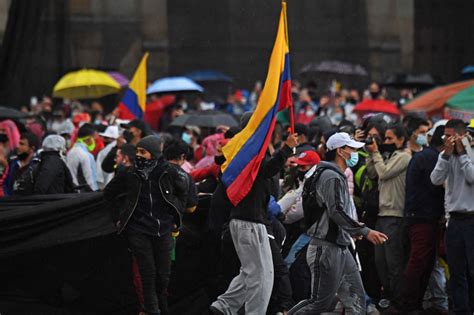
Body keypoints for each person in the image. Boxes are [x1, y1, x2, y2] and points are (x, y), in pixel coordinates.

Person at [288, 132, 388, 315]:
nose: (354, 153)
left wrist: (351, 230)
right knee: (319, 303)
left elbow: (333, 212)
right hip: (325, 248)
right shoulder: (330, 176)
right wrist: (364, 231)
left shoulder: (332, 174)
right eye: (351, 149)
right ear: (340, 151)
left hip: (338, 246)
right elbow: (336, 211)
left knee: (356, 300)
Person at [210, 125, 299, 315]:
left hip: (243, 222)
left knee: (251, 272)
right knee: (263, 276)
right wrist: (286, 148)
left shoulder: (237, 158)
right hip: (250, 223)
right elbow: (267, 169)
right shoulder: (249, 158)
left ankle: (223, 306)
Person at [104, 135, 188, 315]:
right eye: (137, 152)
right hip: (138, 230)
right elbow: (109, 193)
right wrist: (118, 218)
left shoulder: (169, 172)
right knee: (147, 274)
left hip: (164, 230)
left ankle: (160, 307)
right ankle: (151, 310)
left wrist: (175, 215)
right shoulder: (129, 173)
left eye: (143, 152)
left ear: (155, 154)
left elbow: (184, 194)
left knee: (163, 276)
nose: (139, 156)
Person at [399, 125, 445, 313]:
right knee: (419, 262)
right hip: (423, 217)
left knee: (424, 262)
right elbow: (436, 186)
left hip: (418, 216)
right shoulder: (432, 158)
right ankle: (410, 304)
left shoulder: (423, 156)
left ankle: (415, 302)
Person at [365, 124, 411, 310]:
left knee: (393, 262)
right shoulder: (388, 156)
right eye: (386, 138)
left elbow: (383, 173)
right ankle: (389, 296)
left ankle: (398, 301)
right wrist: (371, 153)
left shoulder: (404, 157)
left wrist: (376, 153)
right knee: (380, 262)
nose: (386, 142)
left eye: (391, 139)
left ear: (401, 140)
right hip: (382, 215)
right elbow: (372, 172)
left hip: (395, 215)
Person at [430, 119, 474, 315]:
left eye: (450, 135)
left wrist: (463, 153)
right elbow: (435, 179)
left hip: (472, 218)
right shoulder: (444, 155)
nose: (446, 139)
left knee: (472, 270)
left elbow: (472, 177)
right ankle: (461, 309)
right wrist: (446, 156)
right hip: (454, 220)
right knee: (456, 271)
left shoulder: (470, 154)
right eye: (445, 136)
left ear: (461, 135)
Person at [66, 123, 98, 192]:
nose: (95, 141)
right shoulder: (86, 155)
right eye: (94, 139)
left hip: (71, 191)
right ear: (88, 139)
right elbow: (90, 181)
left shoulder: (70, 152)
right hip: (84, 194)